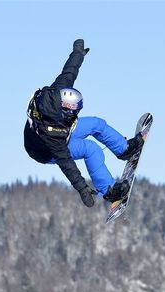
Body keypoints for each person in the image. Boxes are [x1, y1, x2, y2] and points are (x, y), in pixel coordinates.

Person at [24, 39, 143, 207]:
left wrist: (77, 54)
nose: (76, 115)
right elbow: (66, 164)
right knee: (90, 149)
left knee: (96, 124)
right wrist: (82, 190)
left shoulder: (57, 91)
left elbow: (69, 72)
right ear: (66, 111)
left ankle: (124, 150)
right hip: (44, 149)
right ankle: (109, 190)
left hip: (60, 130)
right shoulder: (53, 135)